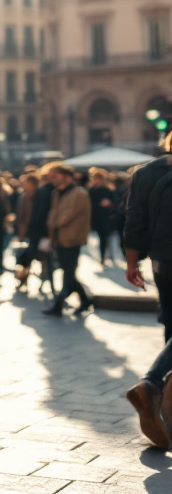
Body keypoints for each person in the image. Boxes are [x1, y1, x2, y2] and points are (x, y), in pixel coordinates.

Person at [123, 131, 172, 448]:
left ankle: (166, 408)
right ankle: (153, 384)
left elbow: (135, 219)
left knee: (171, 327)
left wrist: (131, 263)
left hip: (162, 261)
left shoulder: (148, 175)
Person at [43, 164, 94, 316]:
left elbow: (67, 215)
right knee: (68, 272)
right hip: (60, 238)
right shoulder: (58, 193)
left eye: (56, 175)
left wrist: (52, 223)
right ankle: (84, 300)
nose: (53, 178)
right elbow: (53, 213)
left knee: (69, 272)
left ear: (66, 176)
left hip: (72, 238)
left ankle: (60, 303)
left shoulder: (79, 193)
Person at [88, 168, 118, 266]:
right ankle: (104, 255)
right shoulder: (91, 190)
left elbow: (115, 202)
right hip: (96, 217)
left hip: (106, 217)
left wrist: (109, 204)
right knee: (100, 238)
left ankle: (104, 256)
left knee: (104, 238)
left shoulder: (108, 190)